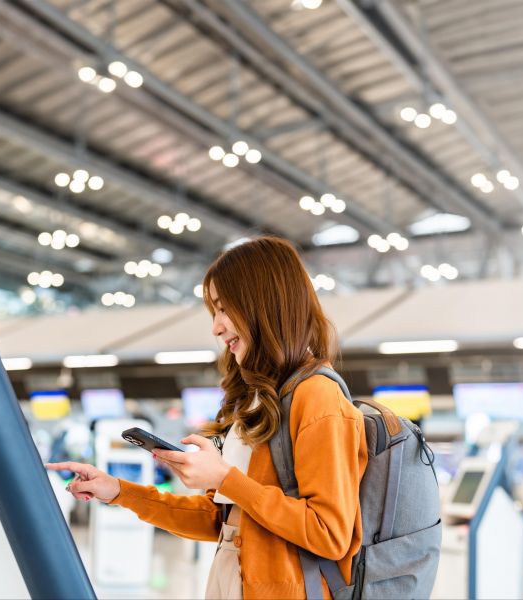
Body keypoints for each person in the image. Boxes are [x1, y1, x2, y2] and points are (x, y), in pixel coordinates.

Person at [48, 236, 367, 599]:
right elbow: (219, 520)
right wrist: (119, 491)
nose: (216, 327)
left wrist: (226, 478)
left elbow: (330, 533)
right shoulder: (260, 401)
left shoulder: (318, 396)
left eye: (224, 309)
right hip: (234, 580)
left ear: (263, 303)